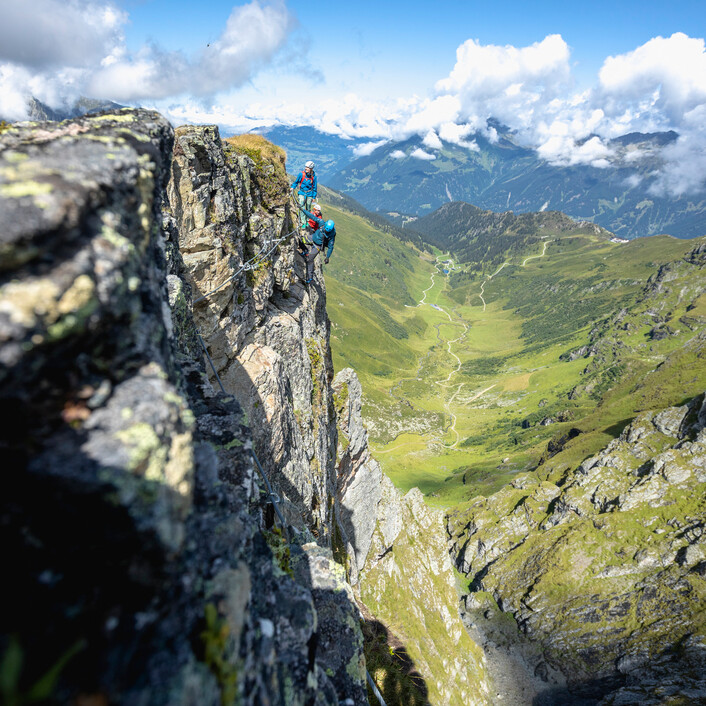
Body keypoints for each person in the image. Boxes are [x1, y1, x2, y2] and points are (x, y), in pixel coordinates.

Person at [298, 204, 336, 284]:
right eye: (325, 229)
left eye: (327, 231)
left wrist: (327, 257)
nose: (325, 231)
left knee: (310, 260)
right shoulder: (322, 222)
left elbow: (330, 247)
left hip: (317, 246)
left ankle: (310, 278)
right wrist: (302, 209)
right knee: (300, 239)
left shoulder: (331, 236)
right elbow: (312, 217)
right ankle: (305, 251)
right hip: (313, 237)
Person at [291, 161, 317, 233]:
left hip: (309, 194)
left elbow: (315, 187)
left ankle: (307, 221)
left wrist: (314, 197)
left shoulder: (314, 177)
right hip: (302, 193)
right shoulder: (301, 174)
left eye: (308, 167)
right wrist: (292, 187)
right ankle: (303, 222)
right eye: (306, 167)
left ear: (311, 168)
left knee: (308, 207)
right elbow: (296, 182)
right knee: (302, 207)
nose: (306, 168)